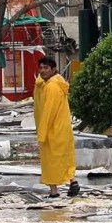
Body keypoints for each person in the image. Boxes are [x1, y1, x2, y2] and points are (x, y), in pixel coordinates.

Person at [34, 56, 79, 198]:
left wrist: (42, 132)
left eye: (46, 68)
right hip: (62, 128)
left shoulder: (51, 87)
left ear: (53, 70)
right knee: (66, 157)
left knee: (50, 161)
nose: (42, 71)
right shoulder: (56, 84)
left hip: (52, 129)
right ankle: (72, 181)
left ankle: (54, 191)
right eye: (41, 68)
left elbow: (49, 111)